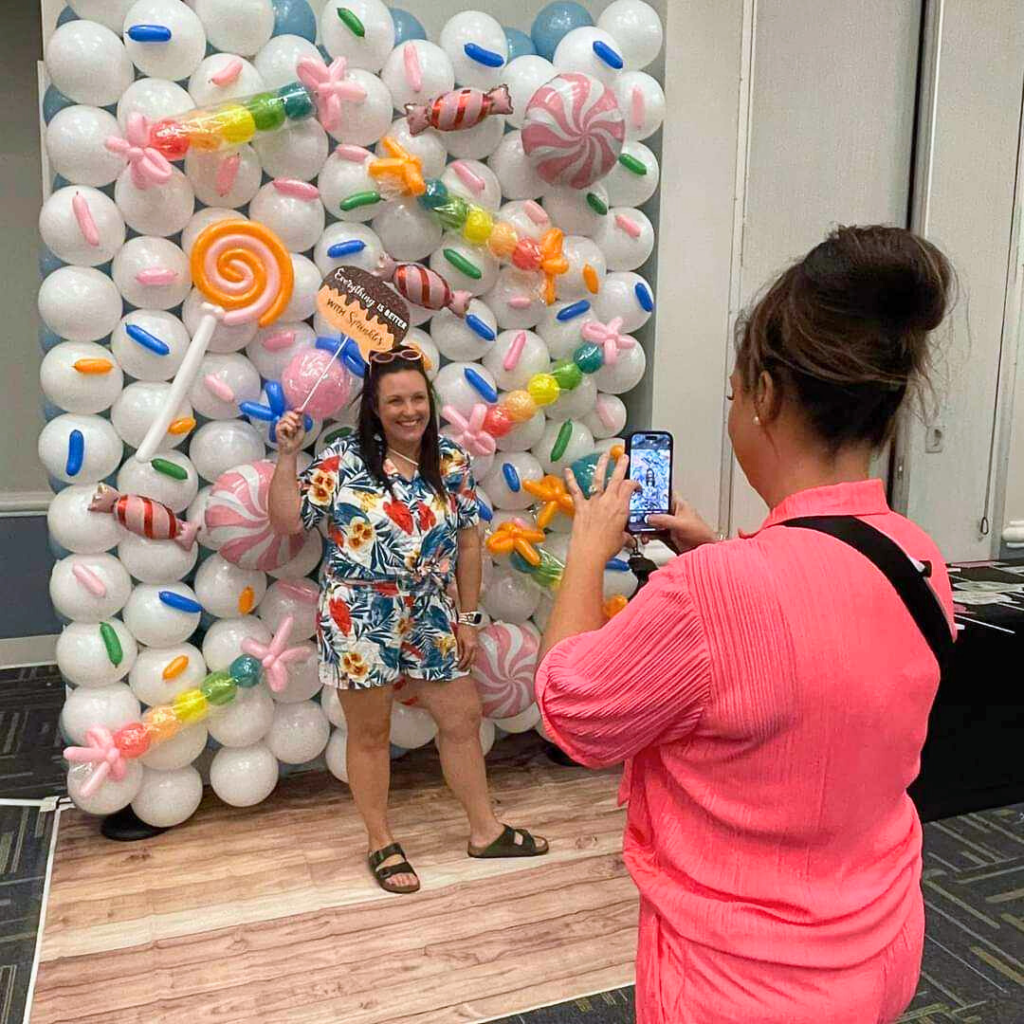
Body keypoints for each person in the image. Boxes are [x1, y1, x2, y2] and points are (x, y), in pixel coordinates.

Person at [535, 225, 954, 1023]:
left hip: (745, 988)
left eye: (734, 396)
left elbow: (569, 713)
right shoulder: (917, 554)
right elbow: (819, 661)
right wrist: (717, 551)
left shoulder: (713, 592)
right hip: (883, 942)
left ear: (765, 395)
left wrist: (588, 549)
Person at [270, 346, 548, 895]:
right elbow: (286, 522)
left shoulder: (450, 462)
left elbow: (469, 542)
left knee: (463, 717)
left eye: (417, 398)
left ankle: (484, 829)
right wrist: (287, 456)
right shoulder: (342, 461)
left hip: (429, 609)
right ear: (374, 408)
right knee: (371, 732)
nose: (408, 410)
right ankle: (381, 841)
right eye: (394, 400)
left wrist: (468, 618)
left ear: (430, 401)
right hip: (358, 612)